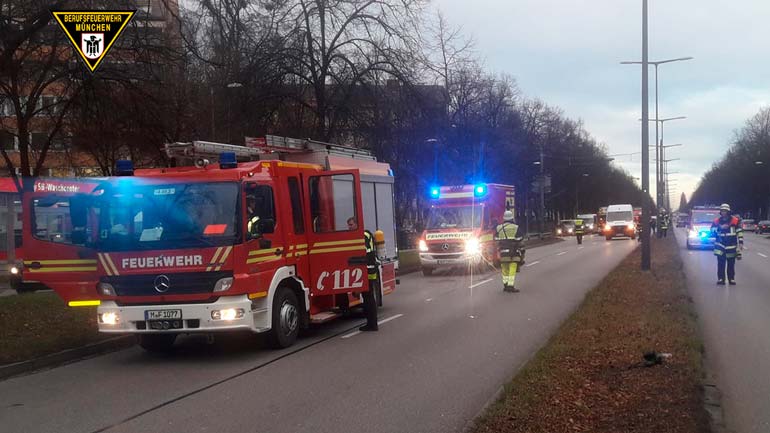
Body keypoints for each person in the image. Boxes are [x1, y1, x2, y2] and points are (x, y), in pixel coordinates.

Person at [711, 203, 744, 285]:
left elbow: (739, 231)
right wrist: (719, 228)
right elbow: (711, 231)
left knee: (731, 263)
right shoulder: (716, 221)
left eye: (725, 211)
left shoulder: (735, 221)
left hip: (731, 245)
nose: (723, 212)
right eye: (722, 211)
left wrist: (741, 242)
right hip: (720, 245)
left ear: (728, 211)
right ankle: (721, 279)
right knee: (721, 263)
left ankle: (731, 279)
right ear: (720, 212)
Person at [494, 210, 524, 293]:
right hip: (513, 251)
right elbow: (520, 239)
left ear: (504, 218)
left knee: (504, 267)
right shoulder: (516, 227)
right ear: (512, 218)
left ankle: (505, 285)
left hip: (503, 251)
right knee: (512, 267)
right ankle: (510, 286)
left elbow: (496, 239)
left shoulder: (498, 228)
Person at [359, 229, 379, 331]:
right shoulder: (366, 234)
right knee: (368, 296)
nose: (349, 227)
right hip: (369, 268)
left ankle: (372, 324)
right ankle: (371, 323)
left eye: (351, 225)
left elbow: (364, 250)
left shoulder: (364, 235)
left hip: (369, 269)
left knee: (368, 297)